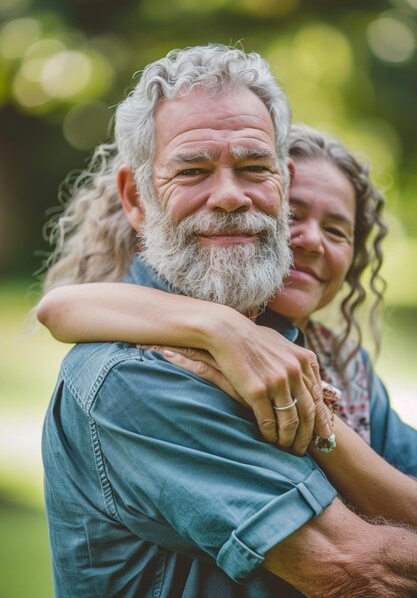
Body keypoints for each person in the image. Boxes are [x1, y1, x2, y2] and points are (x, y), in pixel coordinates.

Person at [39, 44, 417, 597]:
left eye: (253, 167)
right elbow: (359, 574)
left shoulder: (310, 348)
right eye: (192, 170)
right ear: (135, 198)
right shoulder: (136, 378)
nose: (230, 196)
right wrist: (224, 330)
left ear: (281, 183)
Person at [38, 124, 417, 474]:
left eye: (336, 231)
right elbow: (61, 307)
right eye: (293, 216)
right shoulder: (178, 352)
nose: (314, 241)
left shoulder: (349, 367)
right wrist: (225, 328)